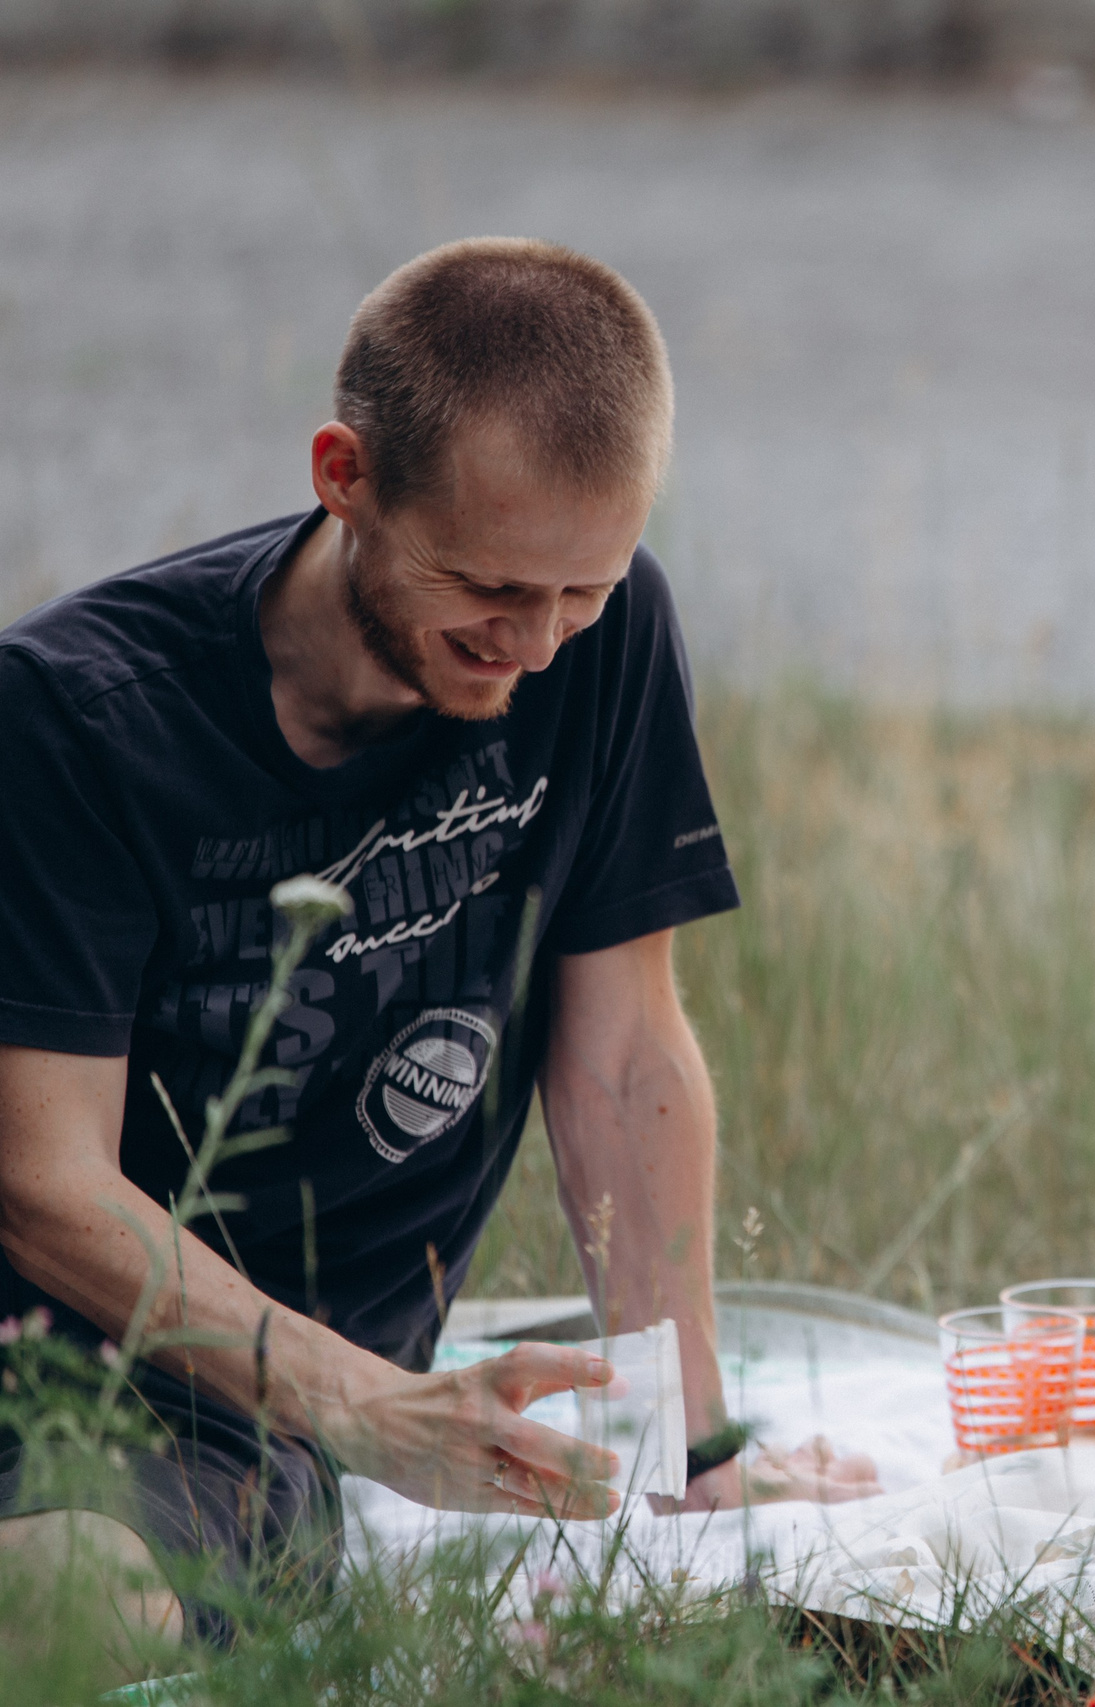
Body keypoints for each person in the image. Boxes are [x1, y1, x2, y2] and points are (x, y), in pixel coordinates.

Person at [0, 238, 877, 1658]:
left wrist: (694, 1438)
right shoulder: (73, 718)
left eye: (579, 590)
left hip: (265, 1421)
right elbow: (42, 1184)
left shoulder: (608, 632)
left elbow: (625, 1056)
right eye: (486, 585)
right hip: (64, 1372)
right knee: (64, 1604)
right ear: (343, 473)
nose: (534, 646)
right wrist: (363, 1403)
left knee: (106, 1603)